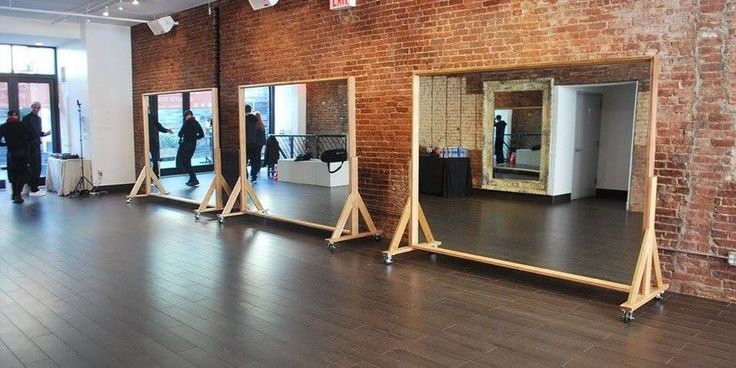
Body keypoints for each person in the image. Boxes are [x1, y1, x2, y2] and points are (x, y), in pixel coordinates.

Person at [0, 111, 34, 204]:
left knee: (14, 174)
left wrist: (7, 143)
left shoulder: (3, 127)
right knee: (23, 173)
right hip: (23, 152)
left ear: (8, 116)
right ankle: (18, 194)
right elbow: (32, 137)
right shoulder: (22, 125)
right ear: (17, 116)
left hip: (12, 153)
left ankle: (15, 194)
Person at [22, 101, 50, 196]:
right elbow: (26, 133)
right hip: (30, 145)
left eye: (38, 107)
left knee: (38, 166)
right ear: (32, 107)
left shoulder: (38, 119)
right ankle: (33, 188)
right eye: (35, 107)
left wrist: (44, 133)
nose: (37, 109)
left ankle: (35, 187)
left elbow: (38, 132)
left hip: (37, 144)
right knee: (33, 166)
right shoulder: (26, 118)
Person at [175, 110, 204, 186]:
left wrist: (187, 137)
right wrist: (194, 138)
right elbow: (202, 135)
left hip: (185, 146)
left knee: (185, 162)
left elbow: (180, 133)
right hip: (192, 146)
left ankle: (194, 178)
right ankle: (192, 179)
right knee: (188, 161)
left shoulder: (186, 123)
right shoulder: (196, 123)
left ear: (186, 116)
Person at [148, 109, 173, 176]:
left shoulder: (150, 117)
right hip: (152, 140)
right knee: (154, 160)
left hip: (150, 141)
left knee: (151, 160)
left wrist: (167, 130)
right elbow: (159, 127)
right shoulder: (152, 117)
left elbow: (159, 127)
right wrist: (167, 130)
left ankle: (152, 177)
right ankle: (155, 177)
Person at [244, 105, 263, 183]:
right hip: (256, 144)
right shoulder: (256, 119)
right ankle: (254, 177)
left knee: (244, 161)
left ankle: (245, 176)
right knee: (254, 161)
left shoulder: (244, 120)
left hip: (247, 144)